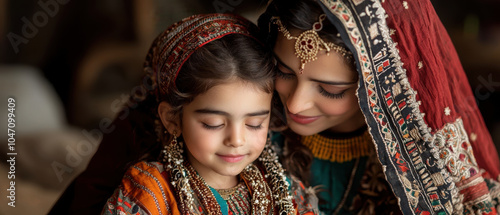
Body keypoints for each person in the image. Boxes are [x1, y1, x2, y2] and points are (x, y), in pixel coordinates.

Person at [257, 0, 500, 214]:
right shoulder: (249, 134)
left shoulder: (431, 169)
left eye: (331, 91)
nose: (295, 104)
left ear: (378, 84)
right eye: (284, 72)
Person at [95, 13, 318, 214]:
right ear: (172, 119)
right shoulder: (148, 193)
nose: (236, 140)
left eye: (255, 123)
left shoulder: (285, 191)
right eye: (213, 123)